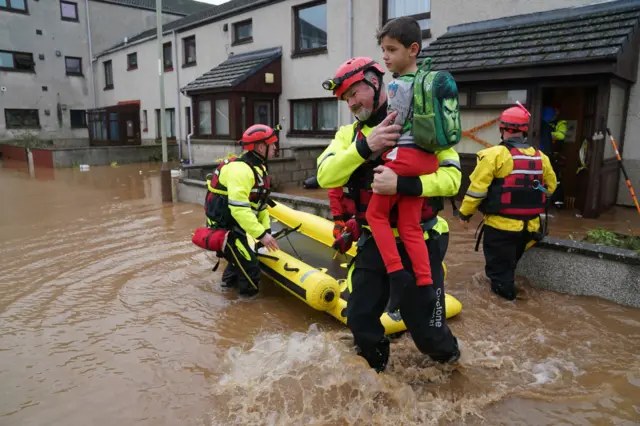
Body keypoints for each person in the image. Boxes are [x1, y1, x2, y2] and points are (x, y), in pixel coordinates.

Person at [318, 52, 462, 371]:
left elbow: (453, 178)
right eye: (345, 99)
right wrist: (365, 147)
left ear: (375, 82)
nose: (351, 103)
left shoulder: (422, 123)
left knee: (427, 333)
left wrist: (403, 185)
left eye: (354, 93)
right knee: (360, 319)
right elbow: (325, 175)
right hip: (374, 240)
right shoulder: (349, 135)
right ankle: (379, 379)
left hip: (421, 239)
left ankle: (452, 366)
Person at [365, 17, 443, 292]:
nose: (385, 56)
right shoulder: (429, 82)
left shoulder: (398, 85)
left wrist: (378, 151)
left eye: (392, 49)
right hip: (427, 160)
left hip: (405, 157)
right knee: (411, 226)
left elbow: (393, 128)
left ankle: (397, 273)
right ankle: (425, 280)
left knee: (376, 215)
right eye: (383, 50)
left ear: (413, 50)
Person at [458, 105, 557, 301]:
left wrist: (464, 214)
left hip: (500, 228)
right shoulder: (541, 157)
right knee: (508, 268)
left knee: (499, 274)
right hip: (530, 229)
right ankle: (509, 294)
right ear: (525, 130)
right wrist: (534, 191)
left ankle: (504, 309)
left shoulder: (493, 155)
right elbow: (550, 188)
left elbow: (477, 191)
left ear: (502, 129)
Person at [204, 124, 280, 296]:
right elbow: (239, 210)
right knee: (251, 268)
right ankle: (246, 309)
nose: (275, 147)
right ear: (261, 147)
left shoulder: (258, 168)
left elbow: (260, 205)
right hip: (225, 230)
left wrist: (266, 230)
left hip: (235, 226)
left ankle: (226, 294)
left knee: (238, 261)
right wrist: (261, 235)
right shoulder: (241, 170)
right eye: (272, 144)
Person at [540, 105, 567, 208]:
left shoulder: (560, 123)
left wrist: (548, 134)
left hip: (552, 155)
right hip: (541, 154)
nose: (556, 114)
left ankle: (557, 201)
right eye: (554, 111)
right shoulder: (541, 124)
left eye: (557, 111)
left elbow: (561, 135)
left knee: (555, 179)